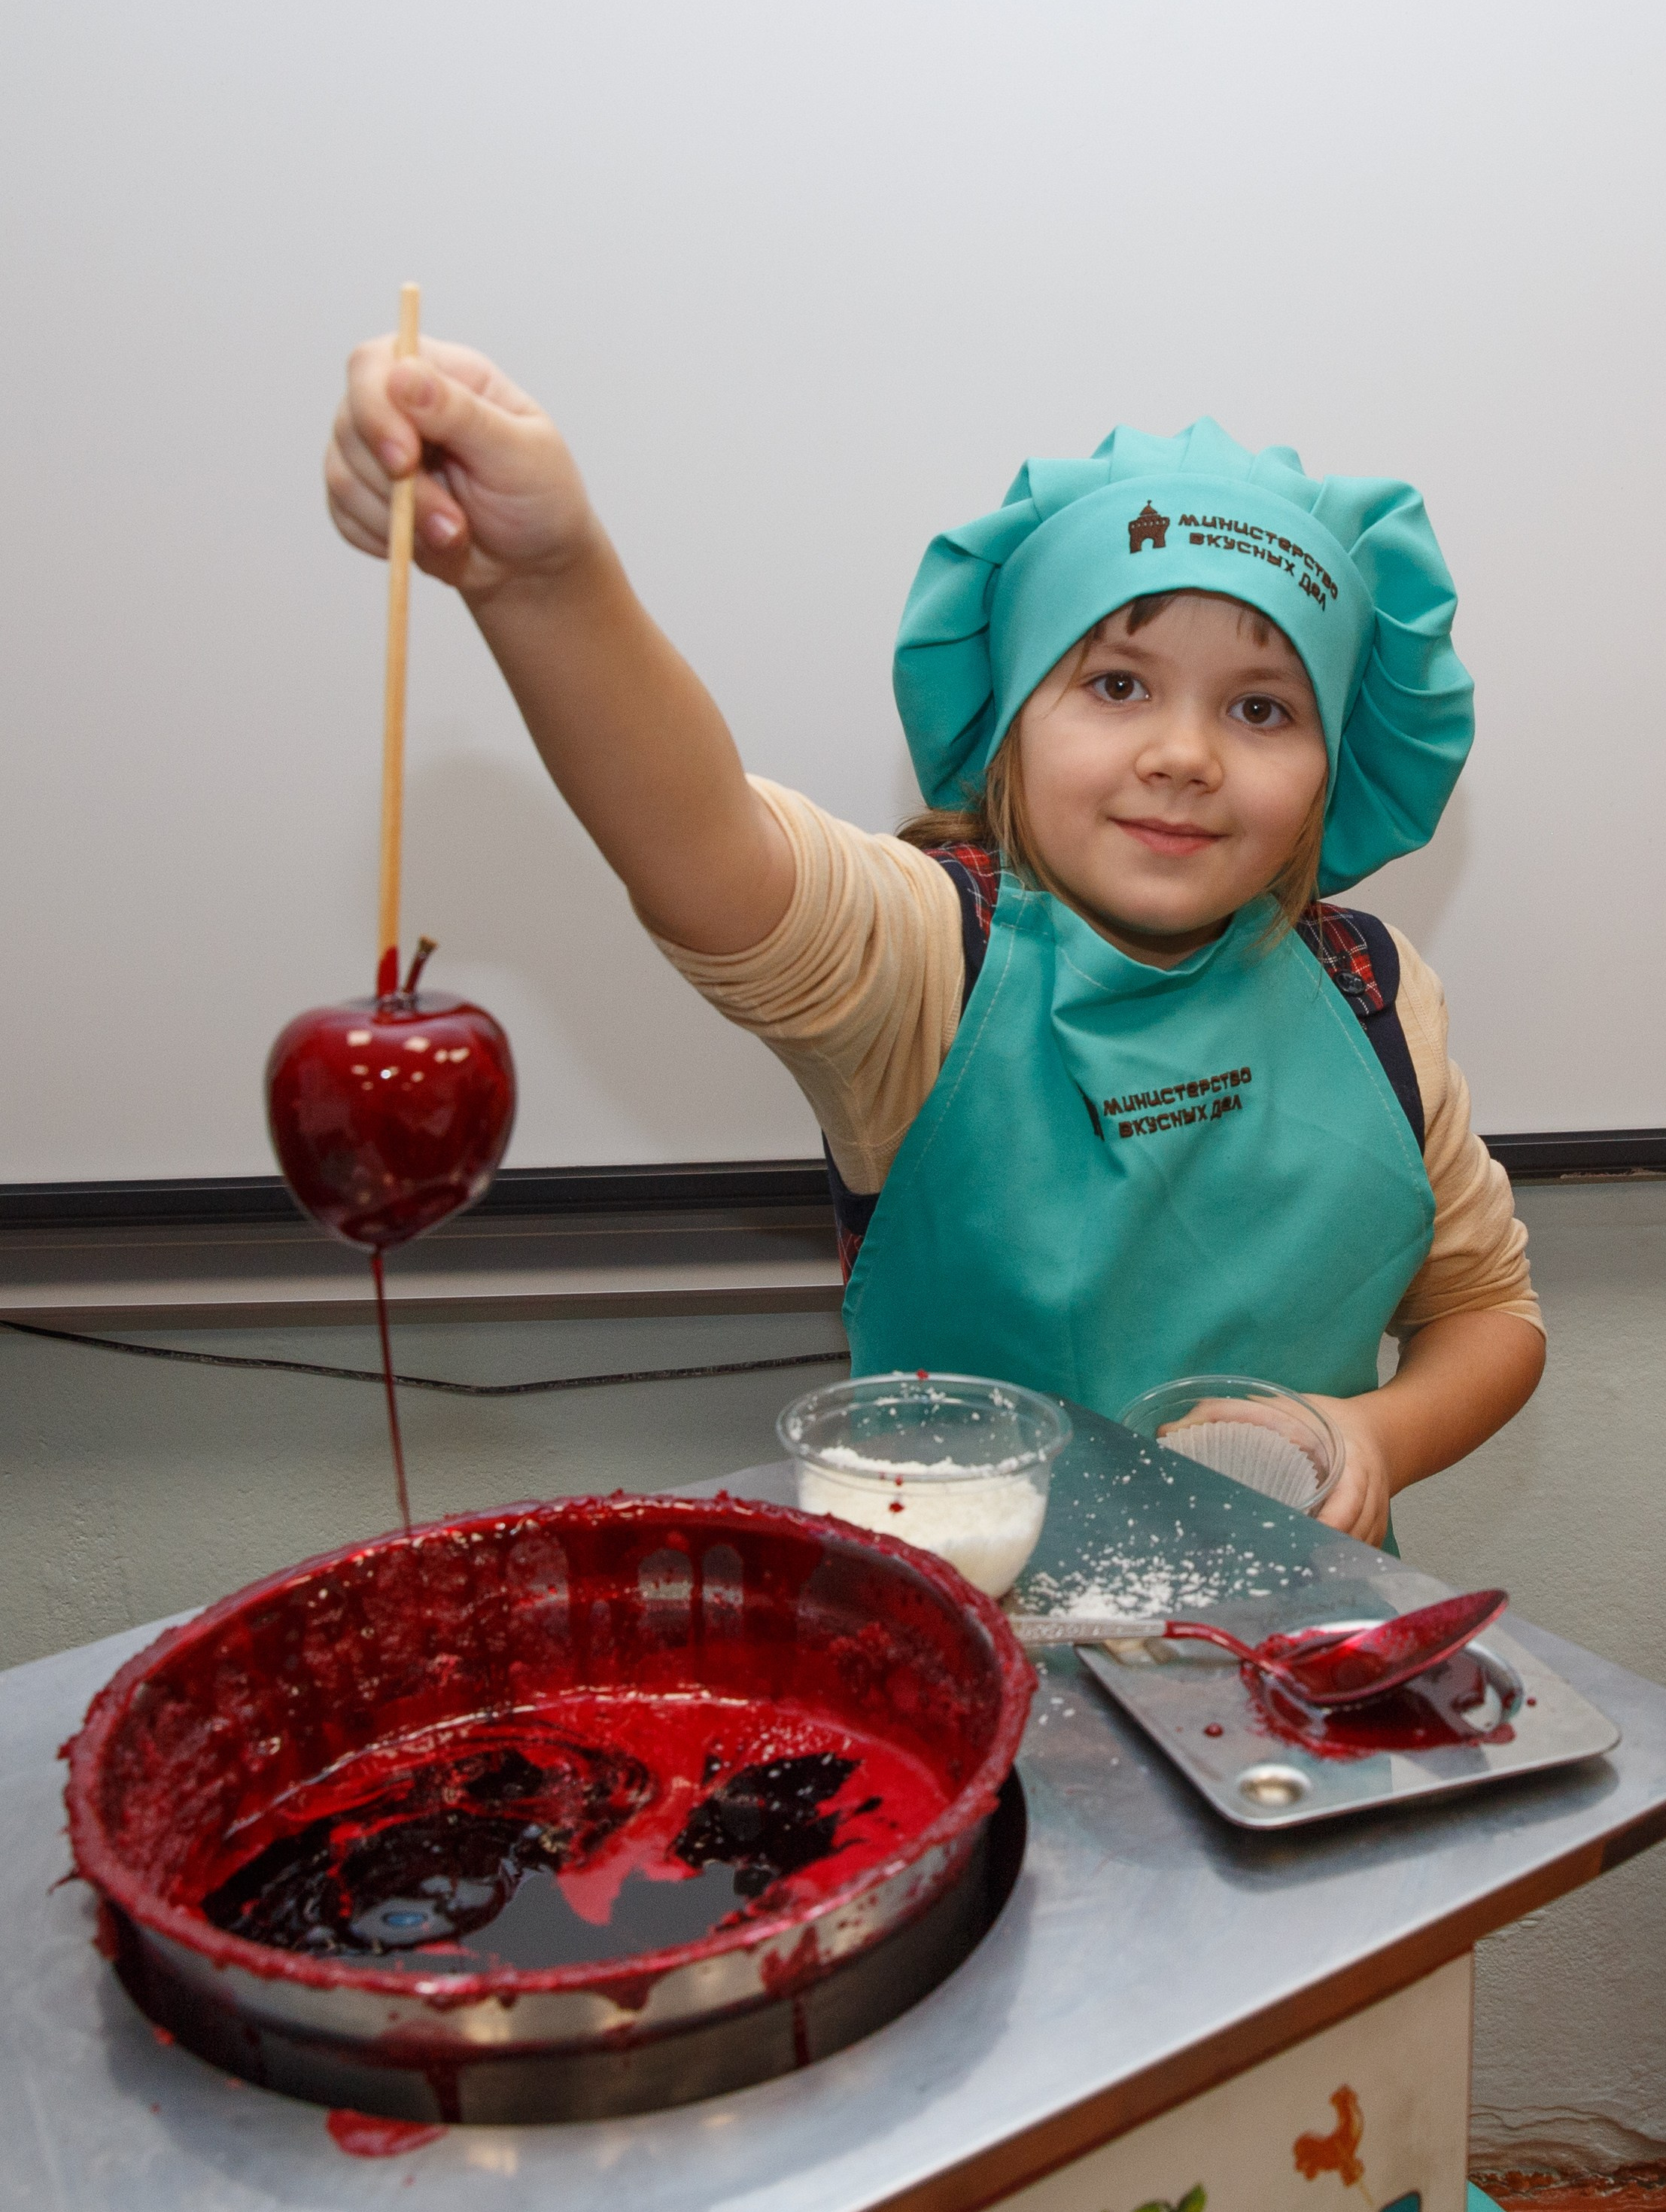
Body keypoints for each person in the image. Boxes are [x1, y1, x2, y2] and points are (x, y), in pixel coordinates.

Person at [324, 344, 1544, 1546]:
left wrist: (1377, 1435)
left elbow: (1489, 1312)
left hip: (1295, 1679)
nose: (1186, 755)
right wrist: (545, 581)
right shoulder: (928, 965)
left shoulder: (1372, 991)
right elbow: (704, 847)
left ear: (1333, 772)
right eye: (1118, 684)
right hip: (982, 1673)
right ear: (1009, 723)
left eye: (1262, 707)